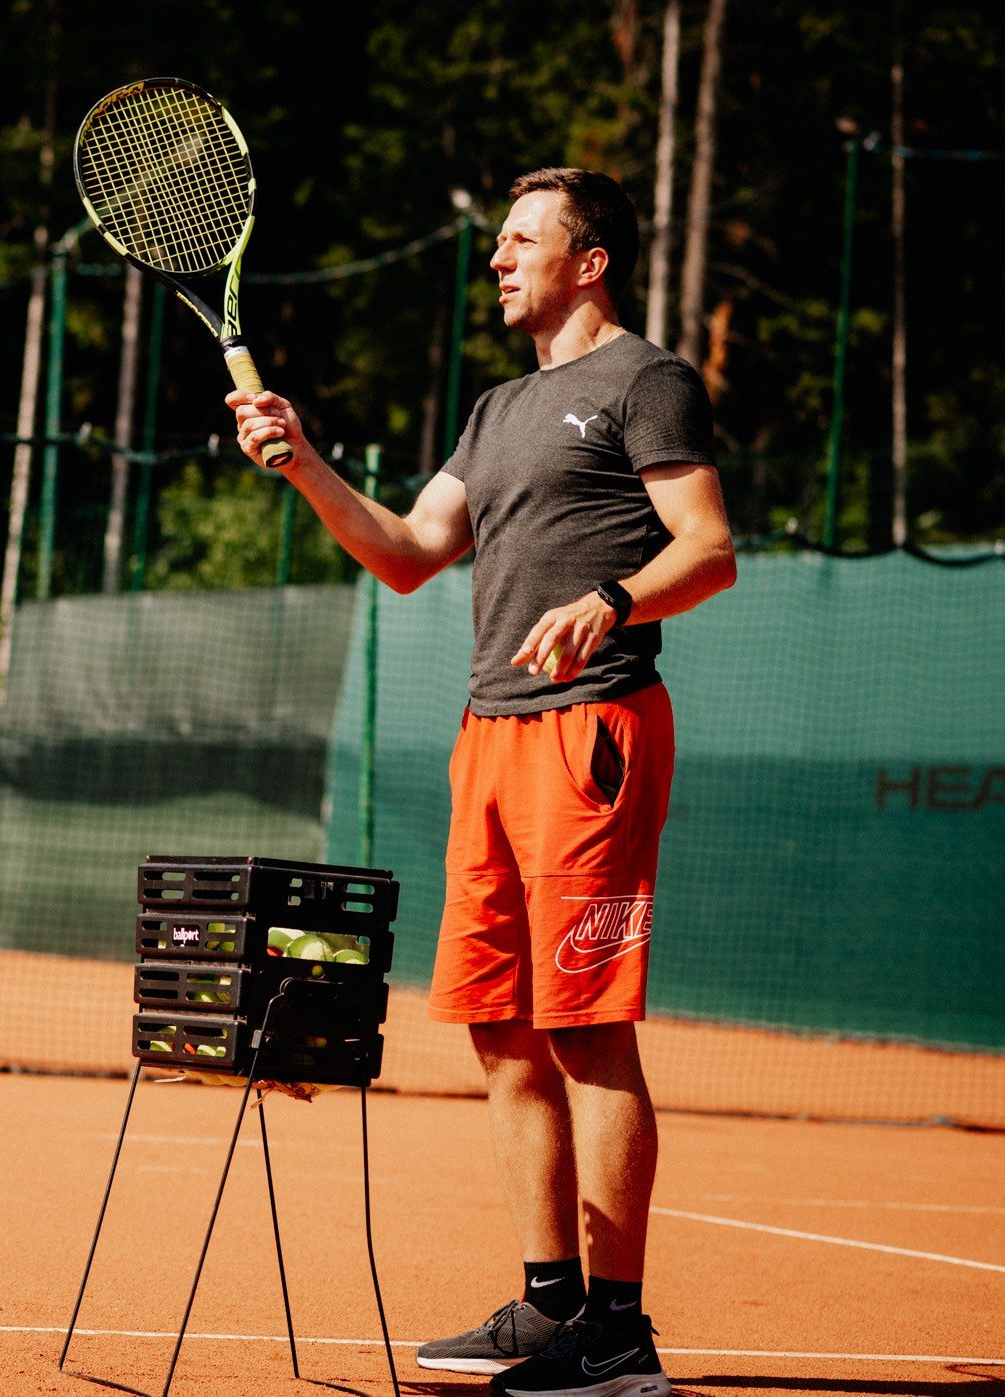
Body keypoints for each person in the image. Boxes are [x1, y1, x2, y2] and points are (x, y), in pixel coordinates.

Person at [228, 167, 735, 1397]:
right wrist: (301, 463)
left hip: (594, 727)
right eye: (500, 241)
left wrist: (610, 600)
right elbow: (404, 554)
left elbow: (709, 549)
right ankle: (550, 1298)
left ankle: (619, 1334)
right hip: (492, 733)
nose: (499, 259)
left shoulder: (646, 380)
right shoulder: (499, 406)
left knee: (584, 1026)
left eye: (522, 240)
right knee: (502, 1029)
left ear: (591, 257)